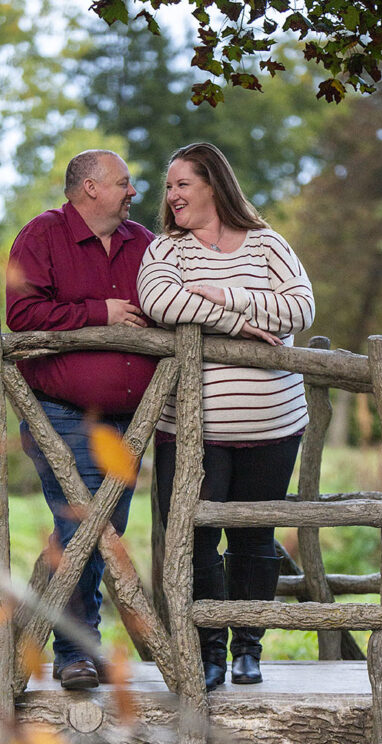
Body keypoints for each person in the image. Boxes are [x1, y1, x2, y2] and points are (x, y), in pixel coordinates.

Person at [137, 142, 314, 691]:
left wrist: (220, 291)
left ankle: (248, 651)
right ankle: (208, 650)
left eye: (181, 185)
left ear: (212, 184)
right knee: (195, 538)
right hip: (191, 433)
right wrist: (238, 322)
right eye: (169, 188)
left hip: (272, 426)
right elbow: (160, 302)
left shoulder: (268, 243)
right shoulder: (167, 249)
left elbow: (301, 307)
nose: (171, 197)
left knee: (255, 540)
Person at [6, 149, 156, 690]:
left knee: (101, 528)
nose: (132, 192)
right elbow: (21, 317)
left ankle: (52, 638)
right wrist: (102, 313)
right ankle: (74, 654)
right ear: (90, 188)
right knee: (81, 524)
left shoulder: (144, 243)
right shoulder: (41, 237)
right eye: (123, 183)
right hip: (60, 412)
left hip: (131, 418)